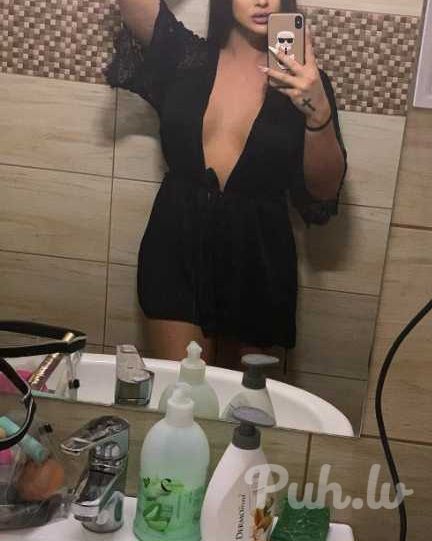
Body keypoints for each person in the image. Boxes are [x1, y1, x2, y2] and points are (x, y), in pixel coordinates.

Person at [105, 0, 347, 364]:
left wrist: (318, 112)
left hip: (256, 255)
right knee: (181, 388)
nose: (262, 1)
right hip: (177, 243)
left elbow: (323, 192)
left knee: (240, 398)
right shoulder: (186, 58)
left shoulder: (305, 81)